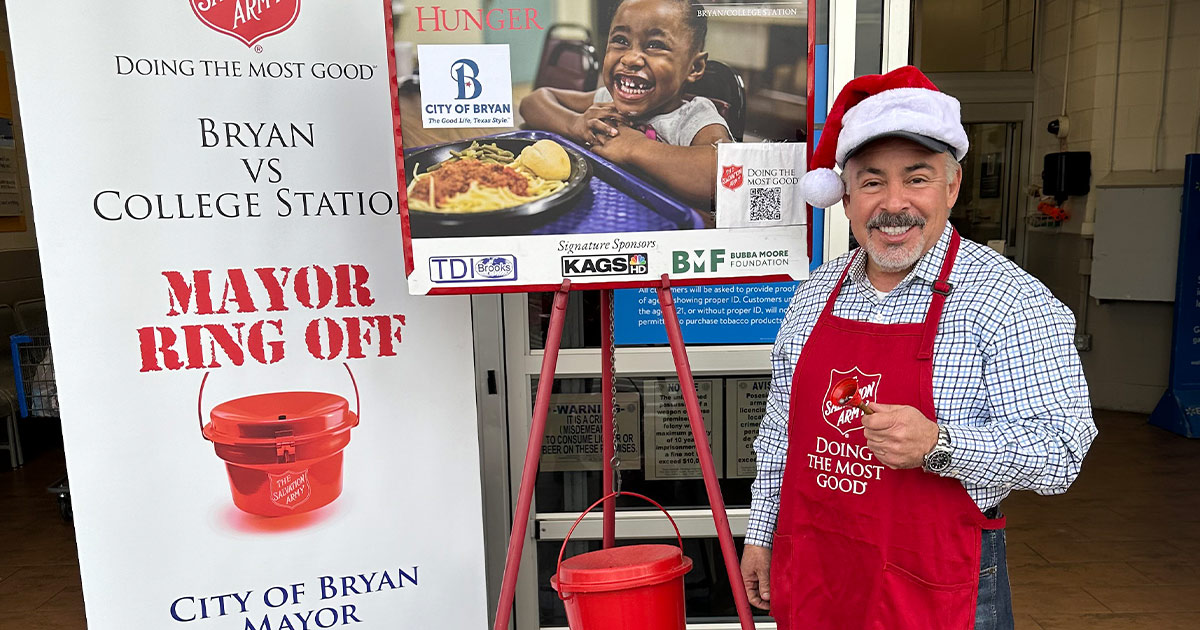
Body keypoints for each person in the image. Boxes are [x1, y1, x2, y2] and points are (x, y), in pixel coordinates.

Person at [739, 66, 1097, 630]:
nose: (895, 203)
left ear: (952, 187)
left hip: (935, 582)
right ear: (847, 195)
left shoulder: (1008, 301)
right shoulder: (813, 295)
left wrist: (940, 444)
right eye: (873, 181)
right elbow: (780, 431)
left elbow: (1061, 456)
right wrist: (761, 534)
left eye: (918, 178)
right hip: (818, 570)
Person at [518, 0, 731, 207]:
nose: (630, 59)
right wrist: (575, 124)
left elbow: (727, 170)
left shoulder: (694, 117)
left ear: (694, 67)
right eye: (621, 40)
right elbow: (534, 101)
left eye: (655, 45)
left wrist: (635, 147)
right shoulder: (606, 102)